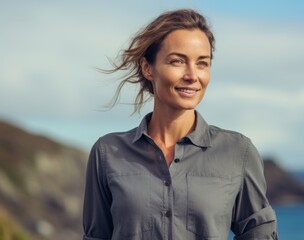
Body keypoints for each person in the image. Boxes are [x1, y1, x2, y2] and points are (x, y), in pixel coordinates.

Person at [83, 9, 278, 240]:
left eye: (202, 63)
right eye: (178, 61)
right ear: (147, 68)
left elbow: (260, 232)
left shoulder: (237, 151)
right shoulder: (107, 153)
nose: (192, 75)